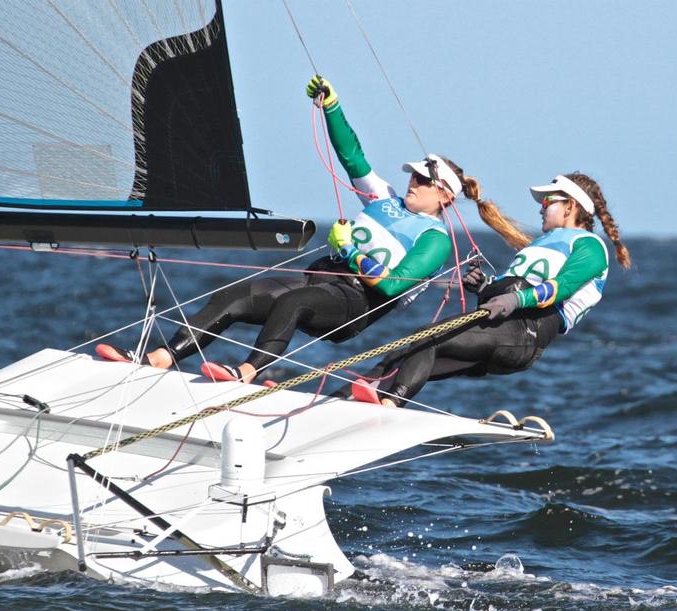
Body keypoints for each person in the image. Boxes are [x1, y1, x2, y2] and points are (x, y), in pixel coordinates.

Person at [97, 76, 524, 383]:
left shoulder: (434, 240)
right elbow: (352, 156)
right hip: (320, 275)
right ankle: (159, 359)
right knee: (232, 296)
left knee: (296, 302)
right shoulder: (385, 198)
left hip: (354, 305)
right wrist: (333, 108)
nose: (414, 182)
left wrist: (352, 252)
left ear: (446, 197)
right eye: (413, 175)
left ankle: (247, 373)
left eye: (424, 181)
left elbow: (392, 286)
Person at [349, 172, 631, 407]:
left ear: (570, 206)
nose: (541, 207)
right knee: (401, 356)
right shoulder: (539, 244)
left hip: (525, 332)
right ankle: (346, 400)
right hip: (501, 325)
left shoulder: (590, 245)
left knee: (427, 339)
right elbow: (505, 295)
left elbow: (560, 288)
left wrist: (512, 299)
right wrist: (484, 287)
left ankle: (389, 406)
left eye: (547, 201)